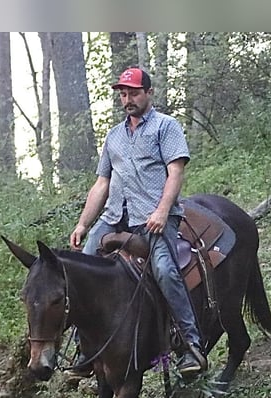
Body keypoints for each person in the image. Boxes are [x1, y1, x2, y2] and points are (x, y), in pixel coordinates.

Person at [68, 67, 207, 379]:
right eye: (123, 93)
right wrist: (83, 225)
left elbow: (175, 173)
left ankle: (190, 345)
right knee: (78, 270)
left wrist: (161, 211)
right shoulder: (114, 137)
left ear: (148, 93)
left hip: (154, 219)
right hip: (115, 218)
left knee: (165, 271)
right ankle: (84, 349)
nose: (127, 99)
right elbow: (102, 183)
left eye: (133, 92)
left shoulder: (165, 127)